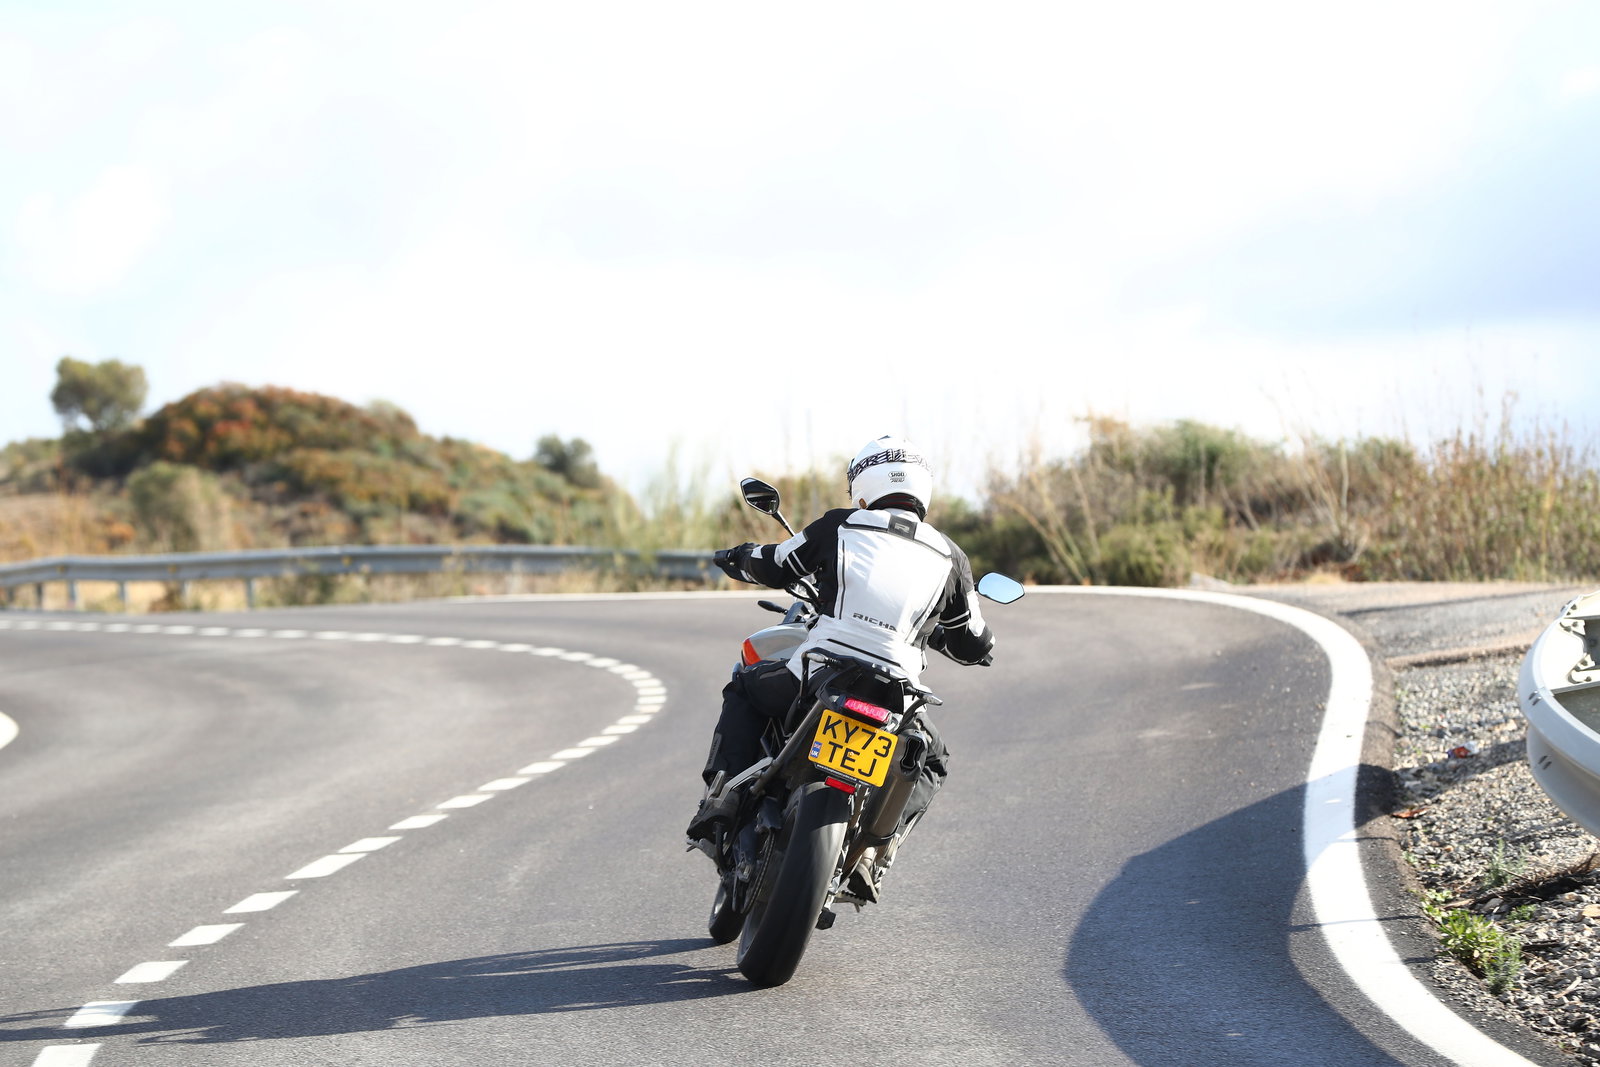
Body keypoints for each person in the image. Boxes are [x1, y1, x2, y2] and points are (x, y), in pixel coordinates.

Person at [687, 435, 996, 900]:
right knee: (930, 759)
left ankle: (726, 796)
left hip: (819, 674)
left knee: (747, 688)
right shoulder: (953, 557)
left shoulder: (842, 525)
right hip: (896, 695)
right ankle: (875, 853)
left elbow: (774, 564)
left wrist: (738, 556)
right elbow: (972, 641)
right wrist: (979, 644)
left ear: (863, 487)